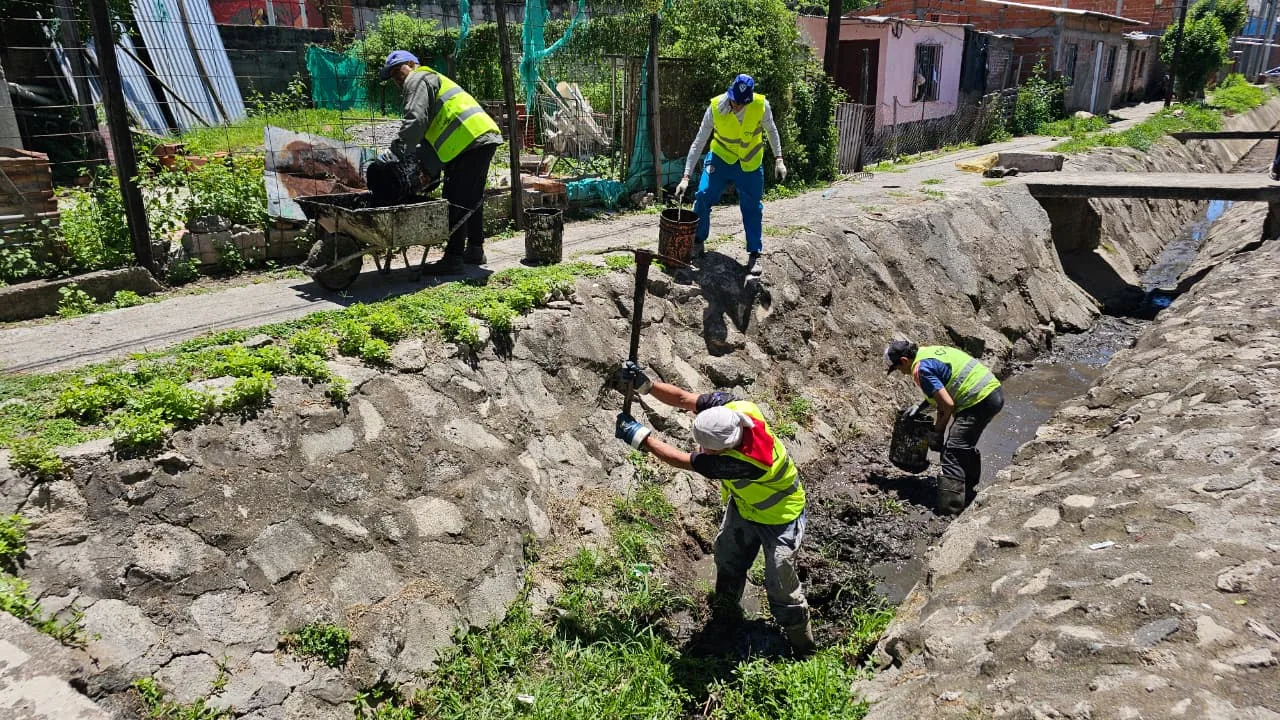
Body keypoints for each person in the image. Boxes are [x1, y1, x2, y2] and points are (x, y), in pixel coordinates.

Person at [610, 361, 815, 655]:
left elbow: (682, 460)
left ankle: (802, 644)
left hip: (782, 516)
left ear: (725, 448)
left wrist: (639, 437)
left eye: (708, 449)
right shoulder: (735, 409)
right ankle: (725, 612)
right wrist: (646, 385)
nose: (704, 451)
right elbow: (684, 399)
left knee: (779, 580)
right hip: (746, 507)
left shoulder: (743, 462)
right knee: (728, 556)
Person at [380, 50, 502, 274]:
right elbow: (430, 133)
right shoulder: (432, 79)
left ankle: (453, 258)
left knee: (455, 197)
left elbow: (415, 121)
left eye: (398, 71)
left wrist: (395, 153)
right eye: (392, 77)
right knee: (471, 197)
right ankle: (475, 249)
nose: (397, 79)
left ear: (412, 64)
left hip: (470, 140)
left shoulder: (417, 79)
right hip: (478, 137)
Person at [674, 74, 786, 271]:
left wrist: (779, 159)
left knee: (752, 207)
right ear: (730, 93)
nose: (736, 106)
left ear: (749, 99)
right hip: (720, 159)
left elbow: (772, 131)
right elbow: (699, 141)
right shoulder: (716, 107)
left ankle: (754, 254)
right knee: (703, 195)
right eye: (734, 101)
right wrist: (685, 177)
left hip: (749, 163)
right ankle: (698, 241)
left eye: (741, 103)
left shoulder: (761, 106)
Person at [884, 340, 1004, 515]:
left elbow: (946, 405)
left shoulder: (920, 370)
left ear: (903, 360)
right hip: (991, 391)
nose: (901, 373)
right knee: (962, 443)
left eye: (897, 368)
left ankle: (951, 510)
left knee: (953, 450)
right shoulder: (927, 352)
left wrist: (938, 432)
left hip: (979, 400)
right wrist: (921, 405)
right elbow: (943, 386)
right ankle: (968, 490)